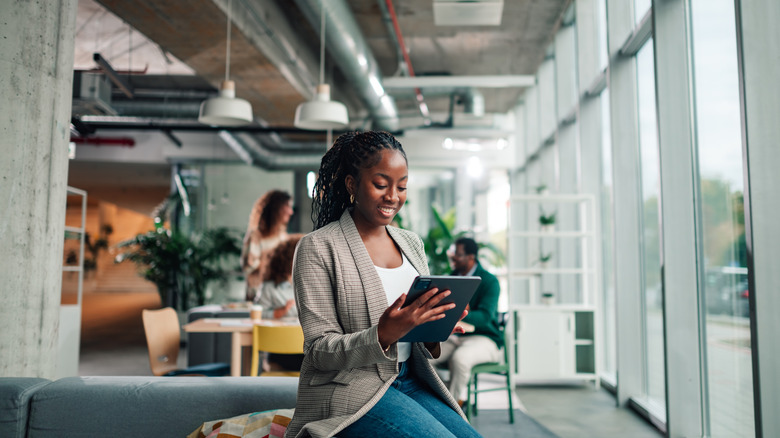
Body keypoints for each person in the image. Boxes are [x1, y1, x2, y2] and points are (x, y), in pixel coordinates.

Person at [284, 131, 481, 438]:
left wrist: (433, 327)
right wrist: (382, 334)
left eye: (402, 186)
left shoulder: (411, 243)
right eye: (381, 184)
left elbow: (414, 338)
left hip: (410, 380)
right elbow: (319, 351)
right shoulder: (318, 247)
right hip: (352, 390)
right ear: (352, 184)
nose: (393, 196)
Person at [431, 237, 502, 407]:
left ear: (471, 257)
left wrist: (463, 312)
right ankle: (444, 397)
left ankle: (451, 408)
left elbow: (485, 318)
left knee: (460, 359)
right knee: (422, 357)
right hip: (455, 336)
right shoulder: (452, 278)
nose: (453, 258)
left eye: (457, 254)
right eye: (453, 254)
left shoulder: (489, 281)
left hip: (485, 339)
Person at [240, 190, 294, 302]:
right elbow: (248, 267)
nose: (291, 212)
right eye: (287, 206)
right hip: (259, 299)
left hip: (279, 298)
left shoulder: (283, 237)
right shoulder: (256, 236)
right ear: (276, 209)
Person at [257, 233, 304, 320]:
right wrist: (282, 311)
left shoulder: (308, 286)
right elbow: (260, 315)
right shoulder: (270, 288)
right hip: (279, 332)